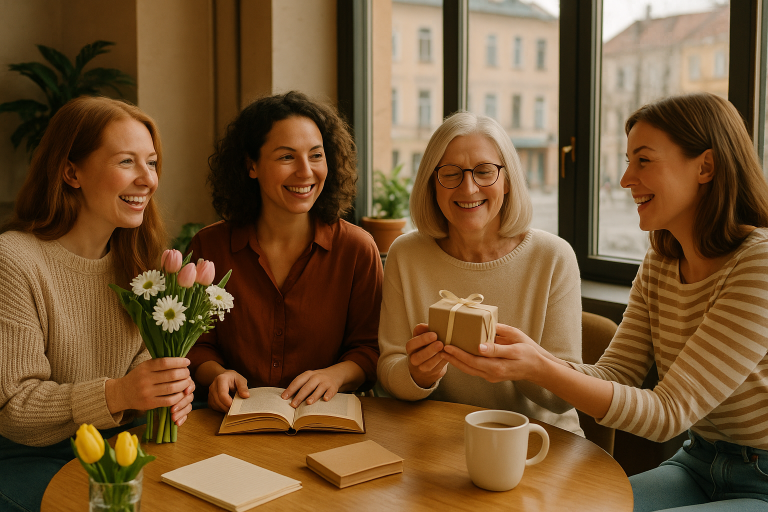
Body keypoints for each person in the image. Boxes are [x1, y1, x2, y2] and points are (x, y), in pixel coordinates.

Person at [440, 93, 768, 511]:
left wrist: (540, 367)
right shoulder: (662, 259)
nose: (626, 178)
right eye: (628, 160)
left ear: (705, 166)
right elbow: (615, 373)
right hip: (699, 462)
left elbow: (667, 413)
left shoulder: (758, 261)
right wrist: (528, 357)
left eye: (643, 161)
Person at [0, 96, 195, 512]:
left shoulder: (143, 263)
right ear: (71, 172)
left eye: (152, 162)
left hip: (121, 449)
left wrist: (169, 390)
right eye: (126, 162)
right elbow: (13, 408)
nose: (148, 179)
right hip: (30, 458)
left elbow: (143, 374)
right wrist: (119, 394)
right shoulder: (13, 260)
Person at [377, 111, 584, 435]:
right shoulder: (406, 254)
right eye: (451, 173)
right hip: (441, 441)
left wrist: (523, 367)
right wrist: (418, 374)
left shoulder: (553, 257)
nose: (469, 188)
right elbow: (389, 372)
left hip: (540, 441)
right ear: (433, 182)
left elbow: (563, 400)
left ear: (507, 179)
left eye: (485, 172)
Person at [187, 91, 382, 412]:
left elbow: (371, 348)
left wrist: (335, 376)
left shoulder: (357, 249)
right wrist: (218, 375)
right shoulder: (210, 247)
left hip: (326, 419)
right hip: (228, 419)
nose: (306, 171)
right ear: (251, 165)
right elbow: (196, 342)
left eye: (316, 155)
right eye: (287, 157)